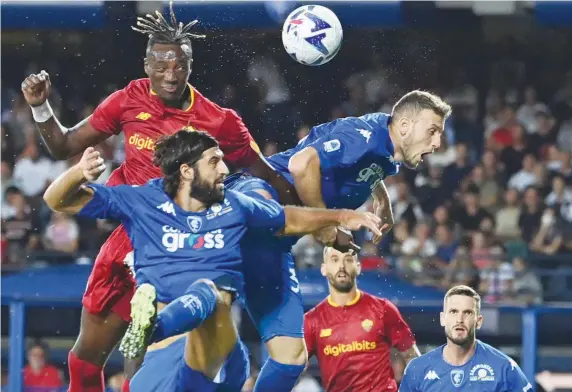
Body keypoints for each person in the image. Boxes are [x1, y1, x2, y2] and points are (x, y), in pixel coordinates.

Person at [20, 3, 297, 391]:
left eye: (179, 66)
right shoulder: (129, 100)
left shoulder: (219, 121)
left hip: (182, 247)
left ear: (190, 65)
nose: (170, 75)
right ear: (147, 65)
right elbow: (63, 144)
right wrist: (40, 106)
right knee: (83, 359)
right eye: (161, 65)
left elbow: (266, 175)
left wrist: (308, 214)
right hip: (128, 235)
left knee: (151, 358)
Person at [42, 129, 382, 392]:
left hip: (221, 351)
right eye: (215, 161)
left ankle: (153, 325)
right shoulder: (142, 201)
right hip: (165, 359)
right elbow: (57, 200)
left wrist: (341, 215)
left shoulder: (235, 205)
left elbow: (288, 218)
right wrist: (78, 174)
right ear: (187, 171)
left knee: (210, 296)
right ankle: (153, 327)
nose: (224, 169)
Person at [226, 90, 451, 391]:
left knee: (291, 358)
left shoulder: (386, 146)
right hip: (263, 190)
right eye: (432, 130)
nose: (437, 143)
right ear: (406, 126)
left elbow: (367, 164)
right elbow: (302, 165)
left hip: (275, 243)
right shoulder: (367, 137)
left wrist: (381, 198)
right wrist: (328, 225)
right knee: (211, 323)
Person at [302, 246, 420, 392]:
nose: (341, 266)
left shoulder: (383, 309)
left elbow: (412, 358)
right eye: (334, 260)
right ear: (324, 268)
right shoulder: (311, 320)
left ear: (358, 267)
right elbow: (293, 369)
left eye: (348, 259)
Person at [398, 285, 532, 392]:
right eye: (453, 312)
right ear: (442, 318)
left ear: (478, 321)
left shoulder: (504, 368)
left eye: (467, 313)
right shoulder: (417, 369)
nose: (459, 319)